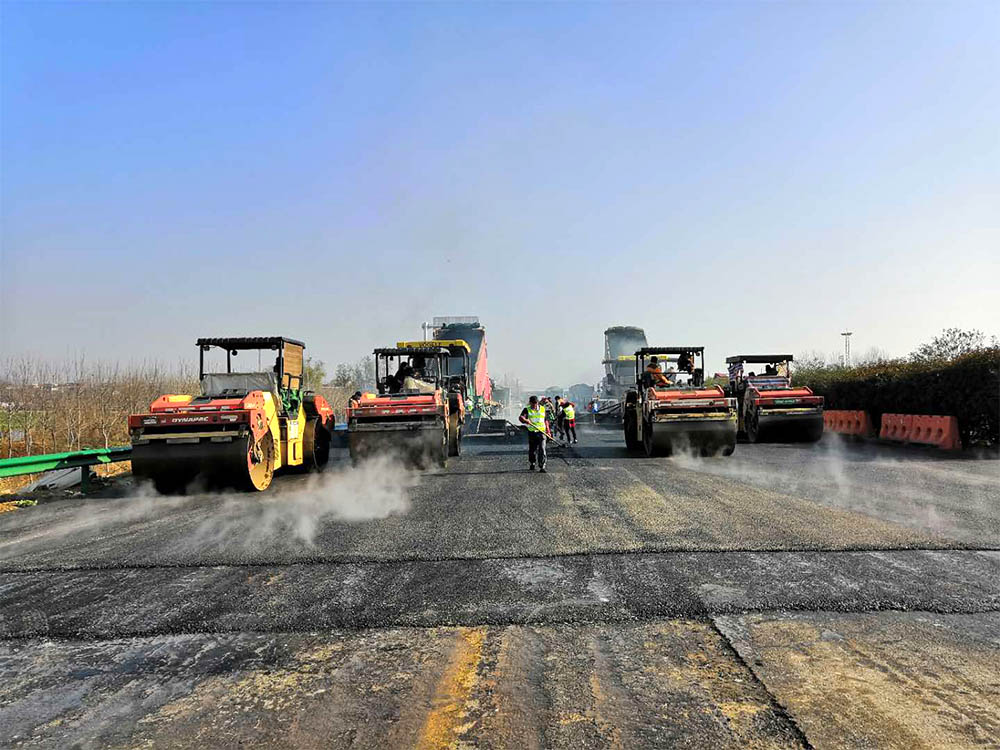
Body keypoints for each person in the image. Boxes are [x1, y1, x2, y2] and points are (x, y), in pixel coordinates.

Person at [519, 395, 547, 472]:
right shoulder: (526, 409)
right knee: (532, 449)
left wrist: (548, 431)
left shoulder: (542, 409)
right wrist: (525, 420)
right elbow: (521, 417)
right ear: (530, 403)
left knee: (542, 448)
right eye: (533, 403)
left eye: (535, 403)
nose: (534, 405)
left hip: (542, 432)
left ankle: (542, 466)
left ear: (537, 402)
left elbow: (545, 420)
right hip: (532, 432)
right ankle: (532, 462)